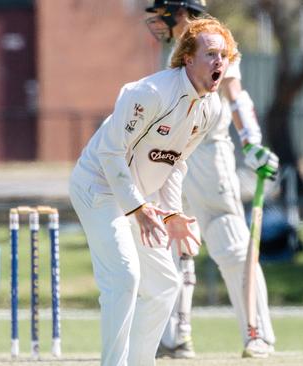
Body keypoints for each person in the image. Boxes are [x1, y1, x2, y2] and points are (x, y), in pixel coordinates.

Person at [70, 17, 257, 366]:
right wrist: (139, 208)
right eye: (211, 54)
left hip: (138, 198)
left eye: (225, 56)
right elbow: (111, 153)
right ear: (188, 57)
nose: (220, 62)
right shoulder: (149, 93)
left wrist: (170, 213)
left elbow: (175, 164)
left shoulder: (211, 109)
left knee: (165, 284)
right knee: (125, 277)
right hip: (96, 185)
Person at [145, 0, 278, 359]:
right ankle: (175, 336)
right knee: (173, 244)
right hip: (171, 154)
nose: (157, 21)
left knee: (229, 240)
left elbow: (236, 97)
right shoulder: (179, 49)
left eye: (162, 13)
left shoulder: (215, 41)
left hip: (207, 154)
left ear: (181, 11)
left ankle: (257, 333)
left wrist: (251, 143)